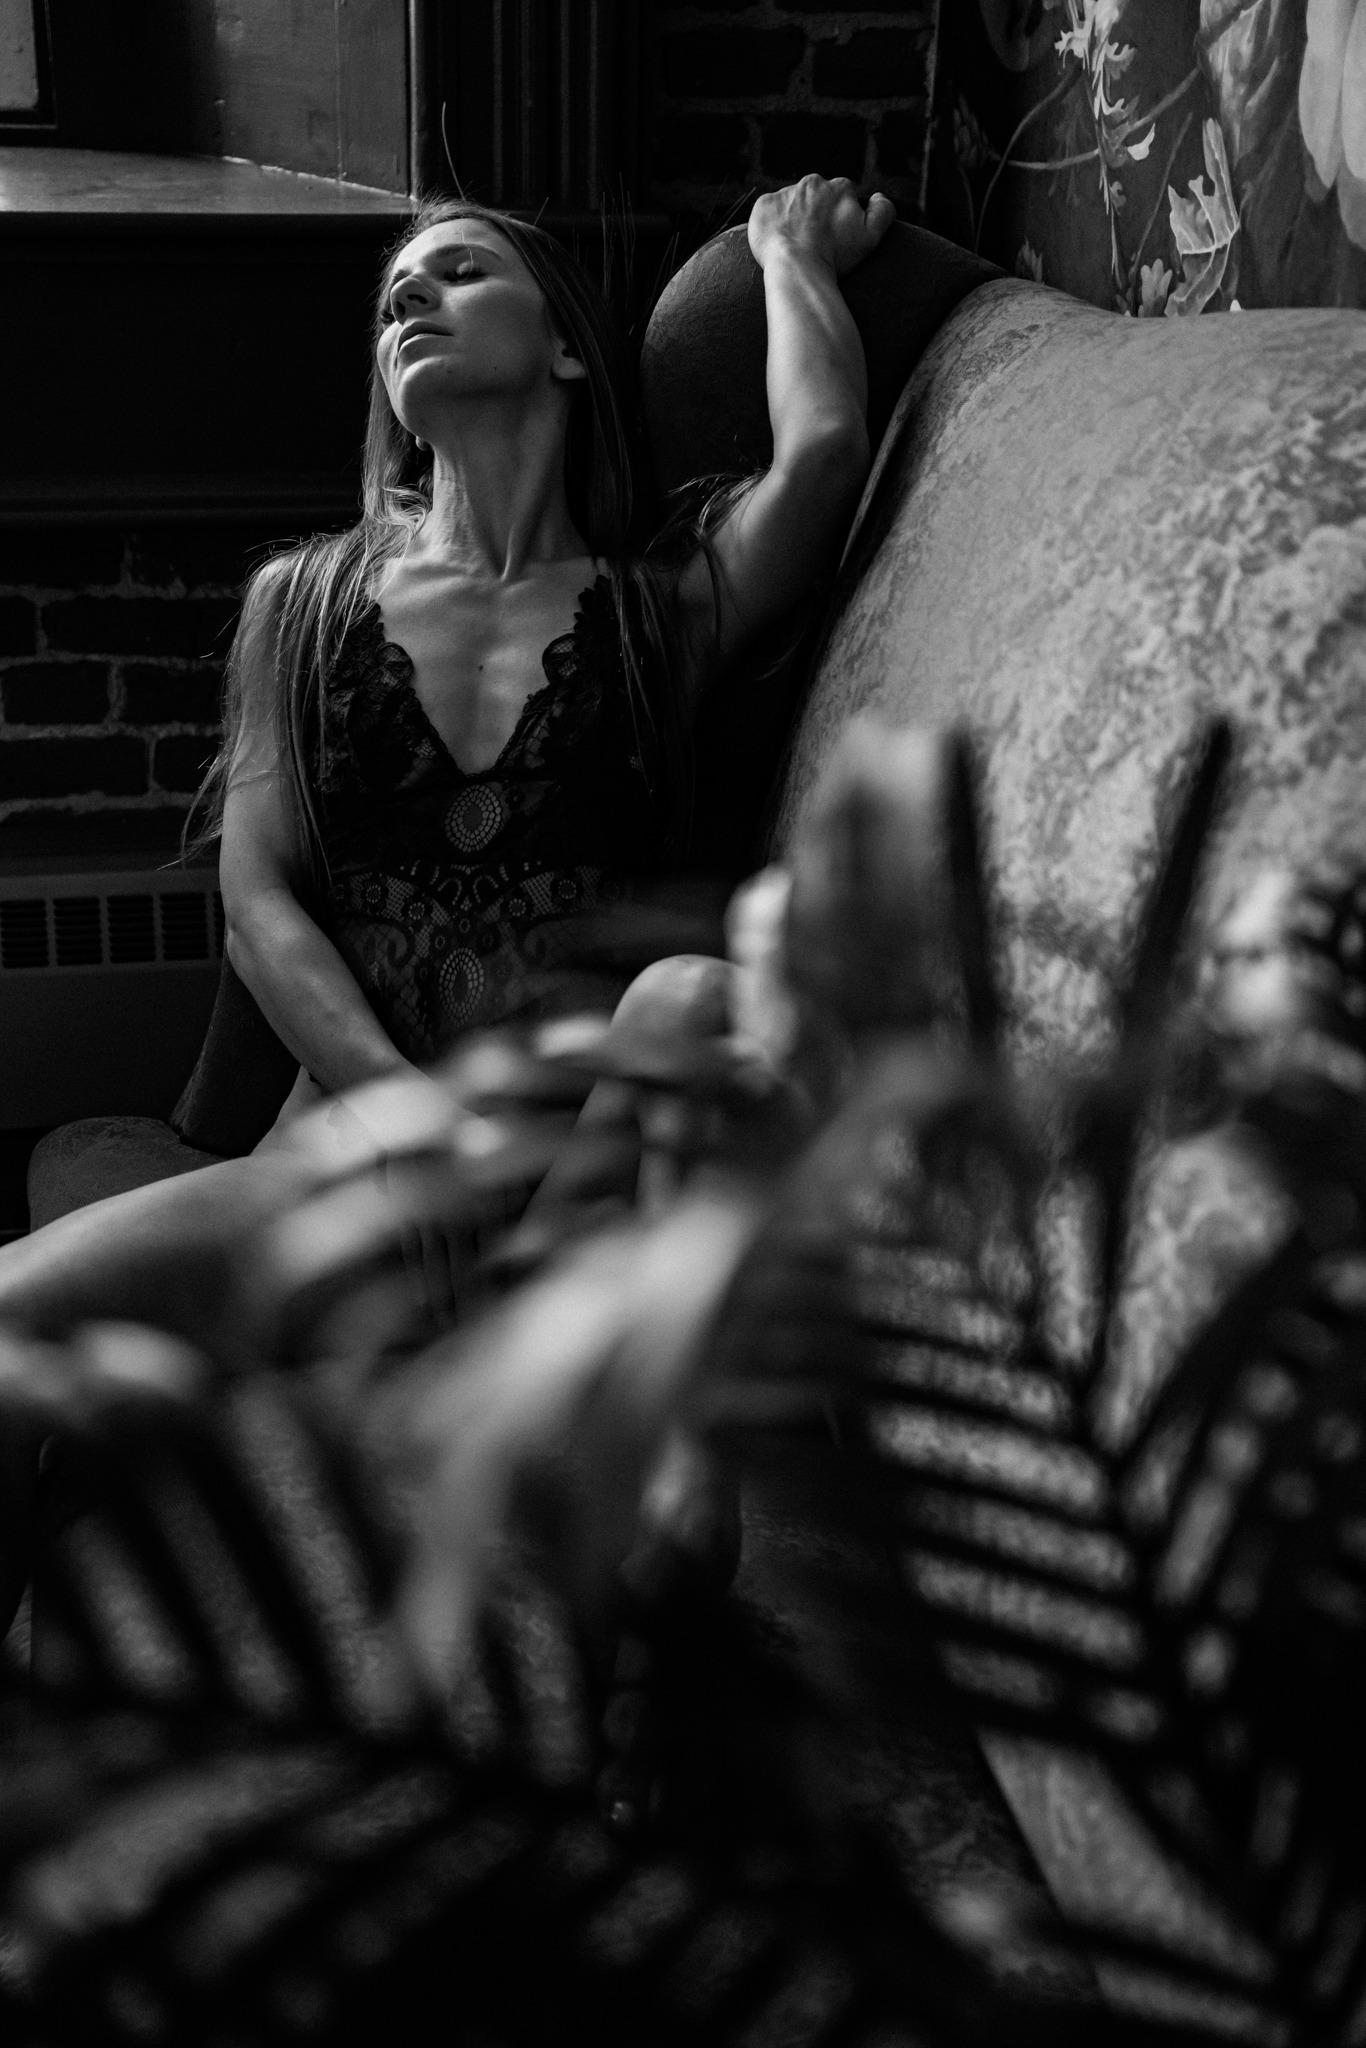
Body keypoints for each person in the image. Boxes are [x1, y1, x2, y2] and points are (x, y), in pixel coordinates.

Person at [0, 174, 893, 1365]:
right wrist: (397, 1109)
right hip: (340, 1168)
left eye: (463, 273)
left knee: (690, 993)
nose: (412, 296)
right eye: (393, 301)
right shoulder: (303, 603)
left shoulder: (656, 613)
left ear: (565, 348)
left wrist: (787, 253)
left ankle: (616, 1438)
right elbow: (256, 905)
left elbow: (826, 453)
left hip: (578, 1173)